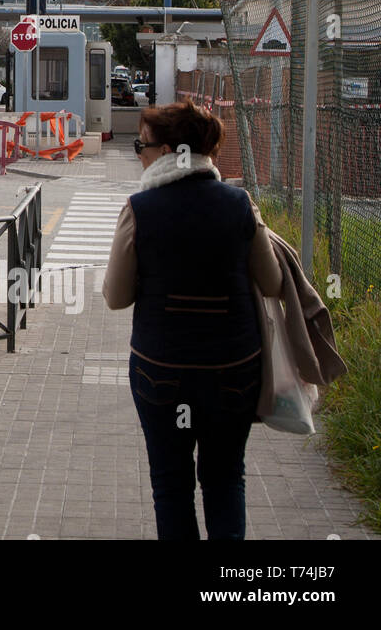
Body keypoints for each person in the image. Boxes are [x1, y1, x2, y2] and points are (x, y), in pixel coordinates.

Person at [104, 101, 282, 541]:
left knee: (171, 485)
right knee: (225, 480)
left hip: (160, 369)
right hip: (233, 371)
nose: (138, 154)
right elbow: (274, 282)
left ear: (166, 151)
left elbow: (115, 297)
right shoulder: (240, 204)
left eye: (140, 146)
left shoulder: (141, 208)